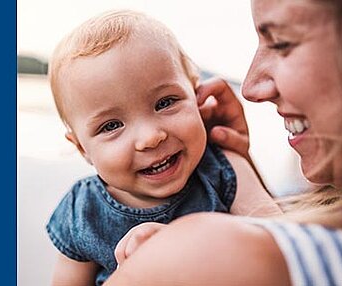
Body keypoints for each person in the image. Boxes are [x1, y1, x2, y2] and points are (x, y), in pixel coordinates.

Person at [103, 0, 342, 284]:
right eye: (111, 125)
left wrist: (167, 258)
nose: (249, 87)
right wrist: (241, 171)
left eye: (281, 43)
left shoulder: (191, 260)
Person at [44, 10, 281, 286]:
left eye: (165, 102)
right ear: (83, 148)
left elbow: (283, 243)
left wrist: (180, 248)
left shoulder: (223, 170)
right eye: (111, 126)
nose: (150, 138)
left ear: (196, 96)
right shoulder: (82, 211)